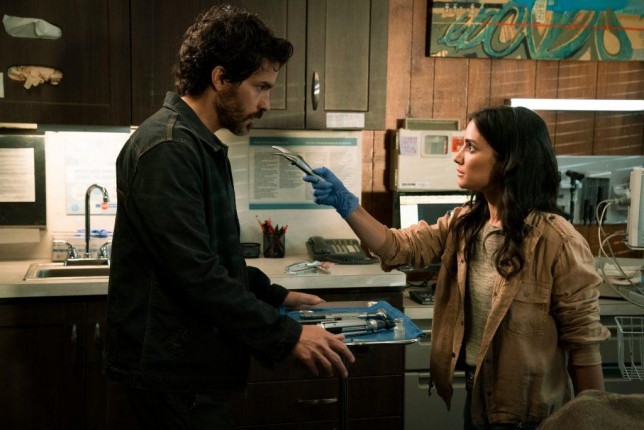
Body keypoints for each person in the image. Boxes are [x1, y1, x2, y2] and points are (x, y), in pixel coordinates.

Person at [105, 4, 354, 429]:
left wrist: (274, 296)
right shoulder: (168, 148)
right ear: (221, 78)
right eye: (260, 87)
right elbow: (197, 275)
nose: (267, 103)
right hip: (173, 374)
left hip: (190, 367)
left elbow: (215, 258)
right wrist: (286, 335)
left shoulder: (197, 143)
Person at [303, 106, 610, 429]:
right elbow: (397, 247)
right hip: (478, 402)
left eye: (471, 147)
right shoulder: (464, 223)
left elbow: (584, 347)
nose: (458, 157)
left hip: (533, 417)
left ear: (509, 161)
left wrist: (597, 422)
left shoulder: (558, 241)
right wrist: (347, 205)